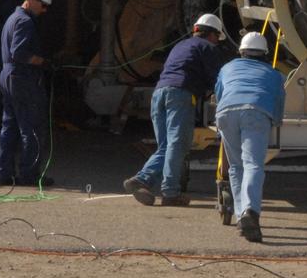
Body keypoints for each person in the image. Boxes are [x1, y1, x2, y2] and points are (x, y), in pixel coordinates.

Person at [123, 13, 228, 207]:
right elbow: (217, 80)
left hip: (159, 94)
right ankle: (168, 191)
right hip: (180, 95)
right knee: (177, 145)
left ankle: (144, 181)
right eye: (217, 38)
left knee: (166, 146)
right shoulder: (208, 47)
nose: (217, 42)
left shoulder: (180, 46)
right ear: (212, 34)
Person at [214, 32, 286, 242]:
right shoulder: (273, 73)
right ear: (264, 53)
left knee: (235, 167)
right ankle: (251, 212)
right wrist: (276, 122)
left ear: (241, 51)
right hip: (256, 112)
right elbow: (279, 99)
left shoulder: (227, 68)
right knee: (253, 164)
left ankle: (242, 218)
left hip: (225, 113)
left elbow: (219, 93)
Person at [0, 0, 55, 188]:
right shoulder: (25, 22)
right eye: (44, 5)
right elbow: (19, 53)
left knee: (9, 125)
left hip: (8, 76)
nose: (45, 10)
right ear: (32, 0)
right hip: (21, 78)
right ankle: (29, 174)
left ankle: (4, 173)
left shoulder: (12, 18)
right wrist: (43, 61)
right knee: (32, 128)